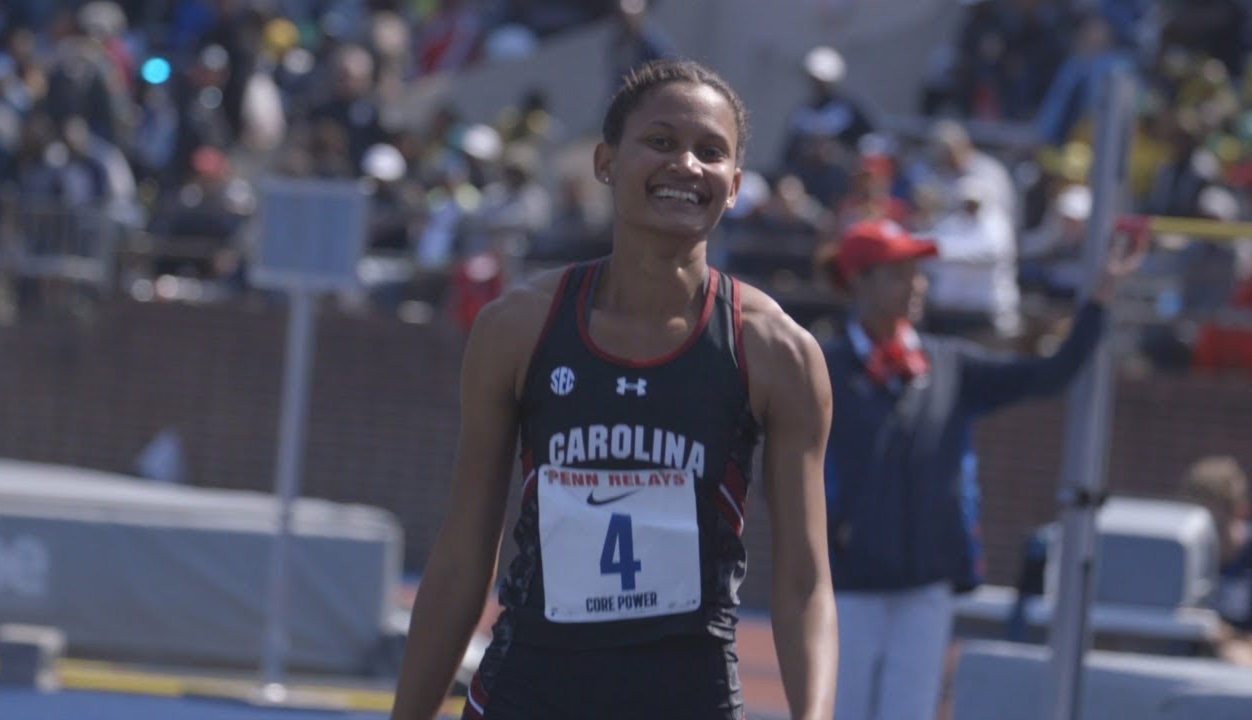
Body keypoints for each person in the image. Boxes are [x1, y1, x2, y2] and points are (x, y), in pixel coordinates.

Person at [390, 59, 838, 720]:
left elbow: (804, 584)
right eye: (661, 142)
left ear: (736, 185)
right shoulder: (518, 329)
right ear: (606, 162)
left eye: (710, 152)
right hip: (525, 695)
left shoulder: (777, 352)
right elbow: (462, 559)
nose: (686, 165)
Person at [818, 217, 1143, 720]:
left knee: (911, 712)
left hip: (927, 581)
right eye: (900, 272)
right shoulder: (822, 365)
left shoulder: (948, 362)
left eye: (918, 272)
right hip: (851, 582)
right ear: (859, 280)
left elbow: (1049, 376)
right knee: (843, 709)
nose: (917, 284)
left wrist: (1100, 298)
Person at [1177, 455, 1252, 666]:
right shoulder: (1176, 555)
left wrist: (1228, 638)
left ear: (1240, 512)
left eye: (1211, 526)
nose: (1202, 538)